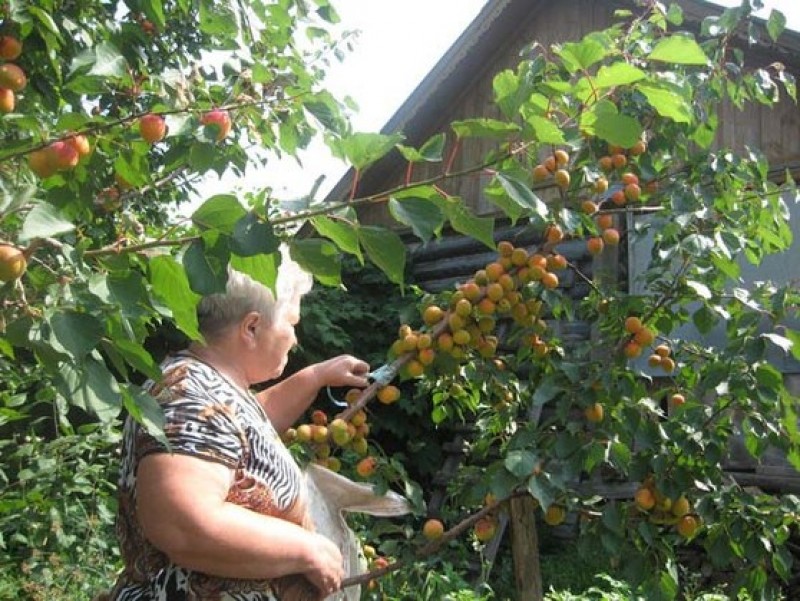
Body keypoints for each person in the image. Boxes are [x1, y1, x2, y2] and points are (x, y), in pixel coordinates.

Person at [108, 257, 371, 601]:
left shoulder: (207, 386)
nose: (294, 339)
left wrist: (317, 376)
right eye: (291, 323)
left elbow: (237, 436)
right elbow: (182, 525)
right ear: (251, 328)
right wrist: (306, 549)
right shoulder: (191, 397)